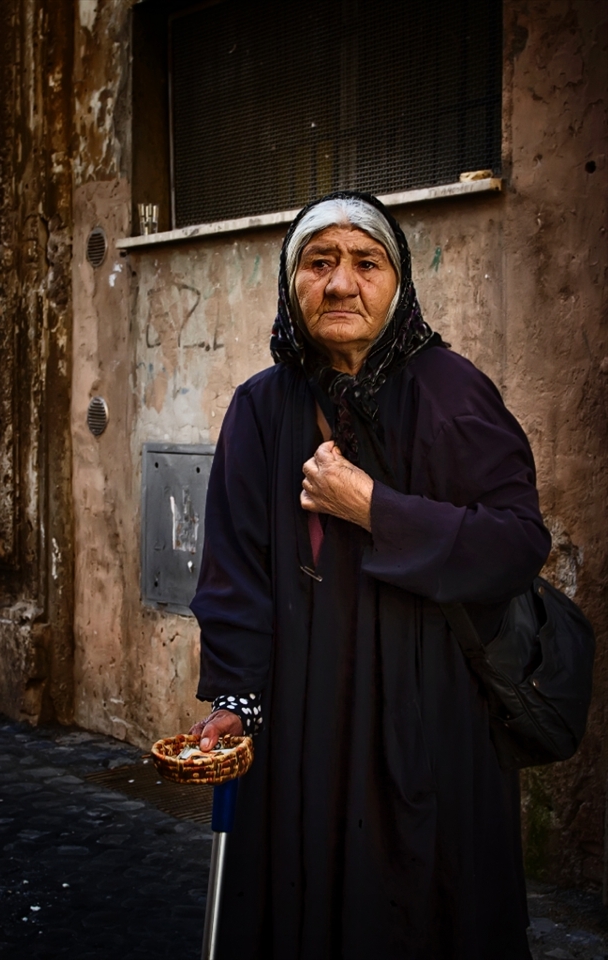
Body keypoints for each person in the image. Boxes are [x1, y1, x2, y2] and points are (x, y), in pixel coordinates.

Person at [189, 191, 550, 959]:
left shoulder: (453, 394)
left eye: (365, 263)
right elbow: (234, 572)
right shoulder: (260, 408)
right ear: (293, 284)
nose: (341, 284)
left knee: (427, 904)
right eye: (318, 263)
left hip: (431, 715)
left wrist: (374, 508)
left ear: (398, 282)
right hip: (299, 720)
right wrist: (236, 700)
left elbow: (517, 544)